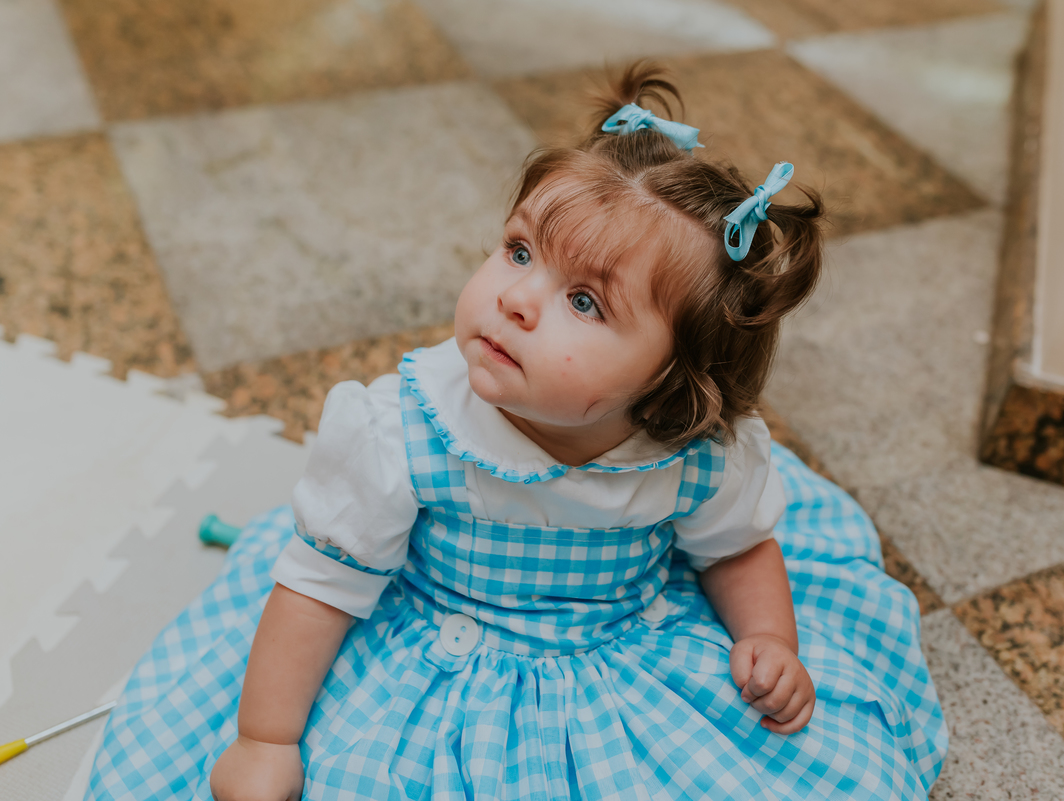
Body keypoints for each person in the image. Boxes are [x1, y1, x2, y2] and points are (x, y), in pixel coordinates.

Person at [86, 64, 946, 801]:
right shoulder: (405, 432)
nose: (514, 296)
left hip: (625, 647)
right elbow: (320, 587)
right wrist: (268, 739)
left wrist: (767, 640)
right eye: (519, 250)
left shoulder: (694, 457)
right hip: (424, 639)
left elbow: (735, 550)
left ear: (675, 381)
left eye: (584, 302)